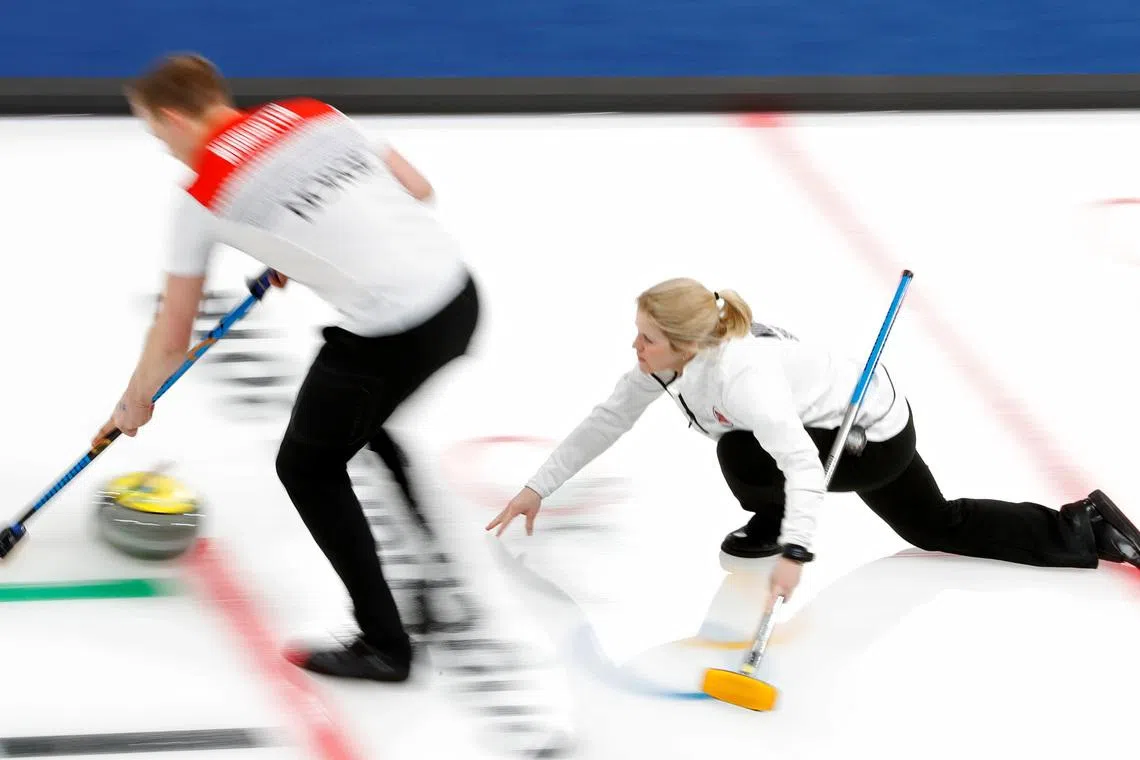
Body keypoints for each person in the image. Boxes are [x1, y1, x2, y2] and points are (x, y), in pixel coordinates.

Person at [93, 53, 480, 682]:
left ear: (172, 116)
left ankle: (385, 644)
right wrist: (302, 240)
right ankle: (433, 573)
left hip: (392, 330)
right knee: (363, 426)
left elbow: (174, 332)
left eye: (157, 134)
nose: (165, 149)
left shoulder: (201, 193)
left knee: (306, 467)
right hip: (459, 300)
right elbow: (416, 188)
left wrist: (134, 400)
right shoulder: (310, 113)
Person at [486, 277, 1140, 602]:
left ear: (684, 345)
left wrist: (796, 551)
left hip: (869, 437)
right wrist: (536, 487)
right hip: (846, 412)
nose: (635, 347)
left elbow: (800, 464)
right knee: (934, 525)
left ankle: (773, 523)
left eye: (647, 338)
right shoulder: (671, 365)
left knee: (741, 451)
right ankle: (1084, 527)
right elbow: (607, 419)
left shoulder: (741, 379)